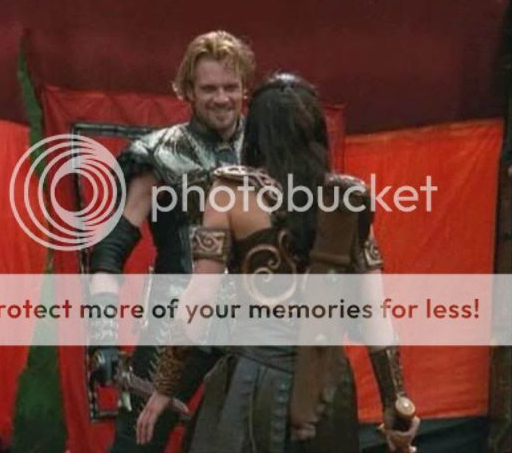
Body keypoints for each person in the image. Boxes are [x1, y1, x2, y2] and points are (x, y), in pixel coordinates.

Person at [136, 73, 420, 452]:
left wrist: (163, 388)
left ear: (255, 133)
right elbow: (374, 314)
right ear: (316, 133)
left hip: (253, 384)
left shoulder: (229, 193)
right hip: (327, 388)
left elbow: (199, 300)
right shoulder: (349, 201)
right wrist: (396, 405)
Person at [88, 30, 255, 452]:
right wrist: (103, 335)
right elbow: (110, 249)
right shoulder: (157, 154)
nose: (222, 98)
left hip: (256, 325)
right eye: (209, 89)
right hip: (174, 322)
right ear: (188, 91)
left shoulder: (267, 148)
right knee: (137, 444)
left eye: (230, 87)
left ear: (244, 89)